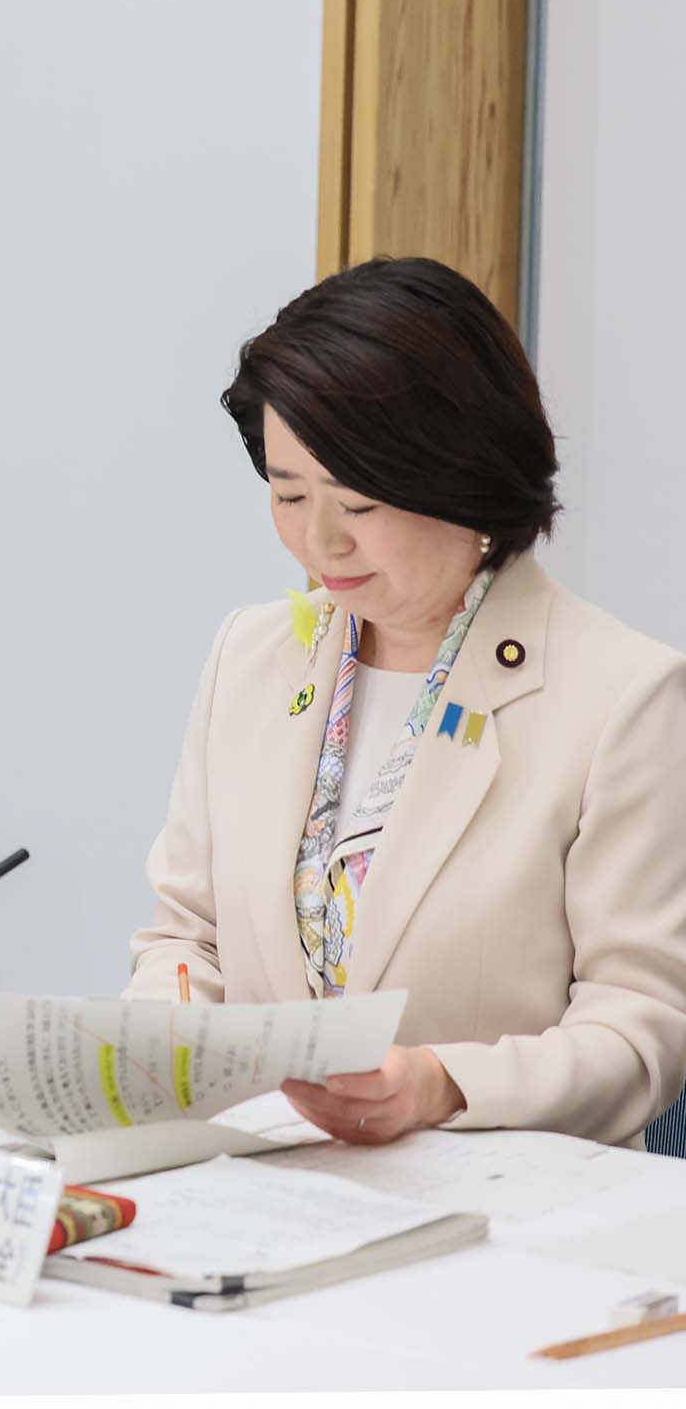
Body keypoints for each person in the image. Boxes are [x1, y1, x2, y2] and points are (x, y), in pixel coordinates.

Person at [129, 257, 686, 1147]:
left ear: (464, 476)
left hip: (497, 1219)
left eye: (361, 500)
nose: (322, 540)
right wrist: (165, 1031)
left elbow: (643, 1028)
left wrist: (441, 1084)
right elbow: (184, 935)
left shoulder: (622, 695)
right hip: (262, 1190)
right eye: (288, 492)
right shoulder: (251, 654)